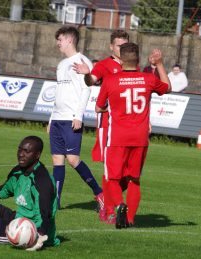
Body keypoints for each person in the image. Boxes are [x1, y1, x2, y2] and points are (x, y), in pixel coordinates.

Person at [95, 43, 171, 229]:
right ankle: (130, 219)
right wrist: (160, 64)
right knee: (134, 179)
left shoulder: (110, 81)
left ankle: (119, 204)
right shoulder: (147, 79)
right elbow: (167, 87)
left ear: (120, 60)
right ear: (138, 60)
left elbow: (99, 107)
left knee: (112, 178)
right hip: (140, 137)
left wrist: (112, 108)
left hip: (117, 137)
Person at [72, 30, 130, 223]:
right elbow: (92, 80)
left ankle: (105, 197)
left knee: (128, 173)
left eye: (125, 45)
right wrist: (87, 74)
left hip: (130, 124)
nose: (122, 49)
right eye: (118, 45)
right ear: (111, 47)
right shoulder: (104, 65)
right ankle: (110, 208)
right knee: (111, 169)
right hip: (109, 123)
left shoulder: (132, 65)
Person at [49, 26, 103, 212]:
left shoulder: (82, 61)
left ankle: (99, 193)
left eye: (60, 39)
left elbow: (86, 89)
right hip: (57, 118)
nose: (58, 43)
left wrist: (78, 116)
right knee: (57, 158)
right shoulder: (61, 64)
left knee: (72, 159)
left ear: (70, 40)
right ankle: (55, 201)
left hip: (71, 119)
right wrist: (51, 119)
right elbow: (59, 93)